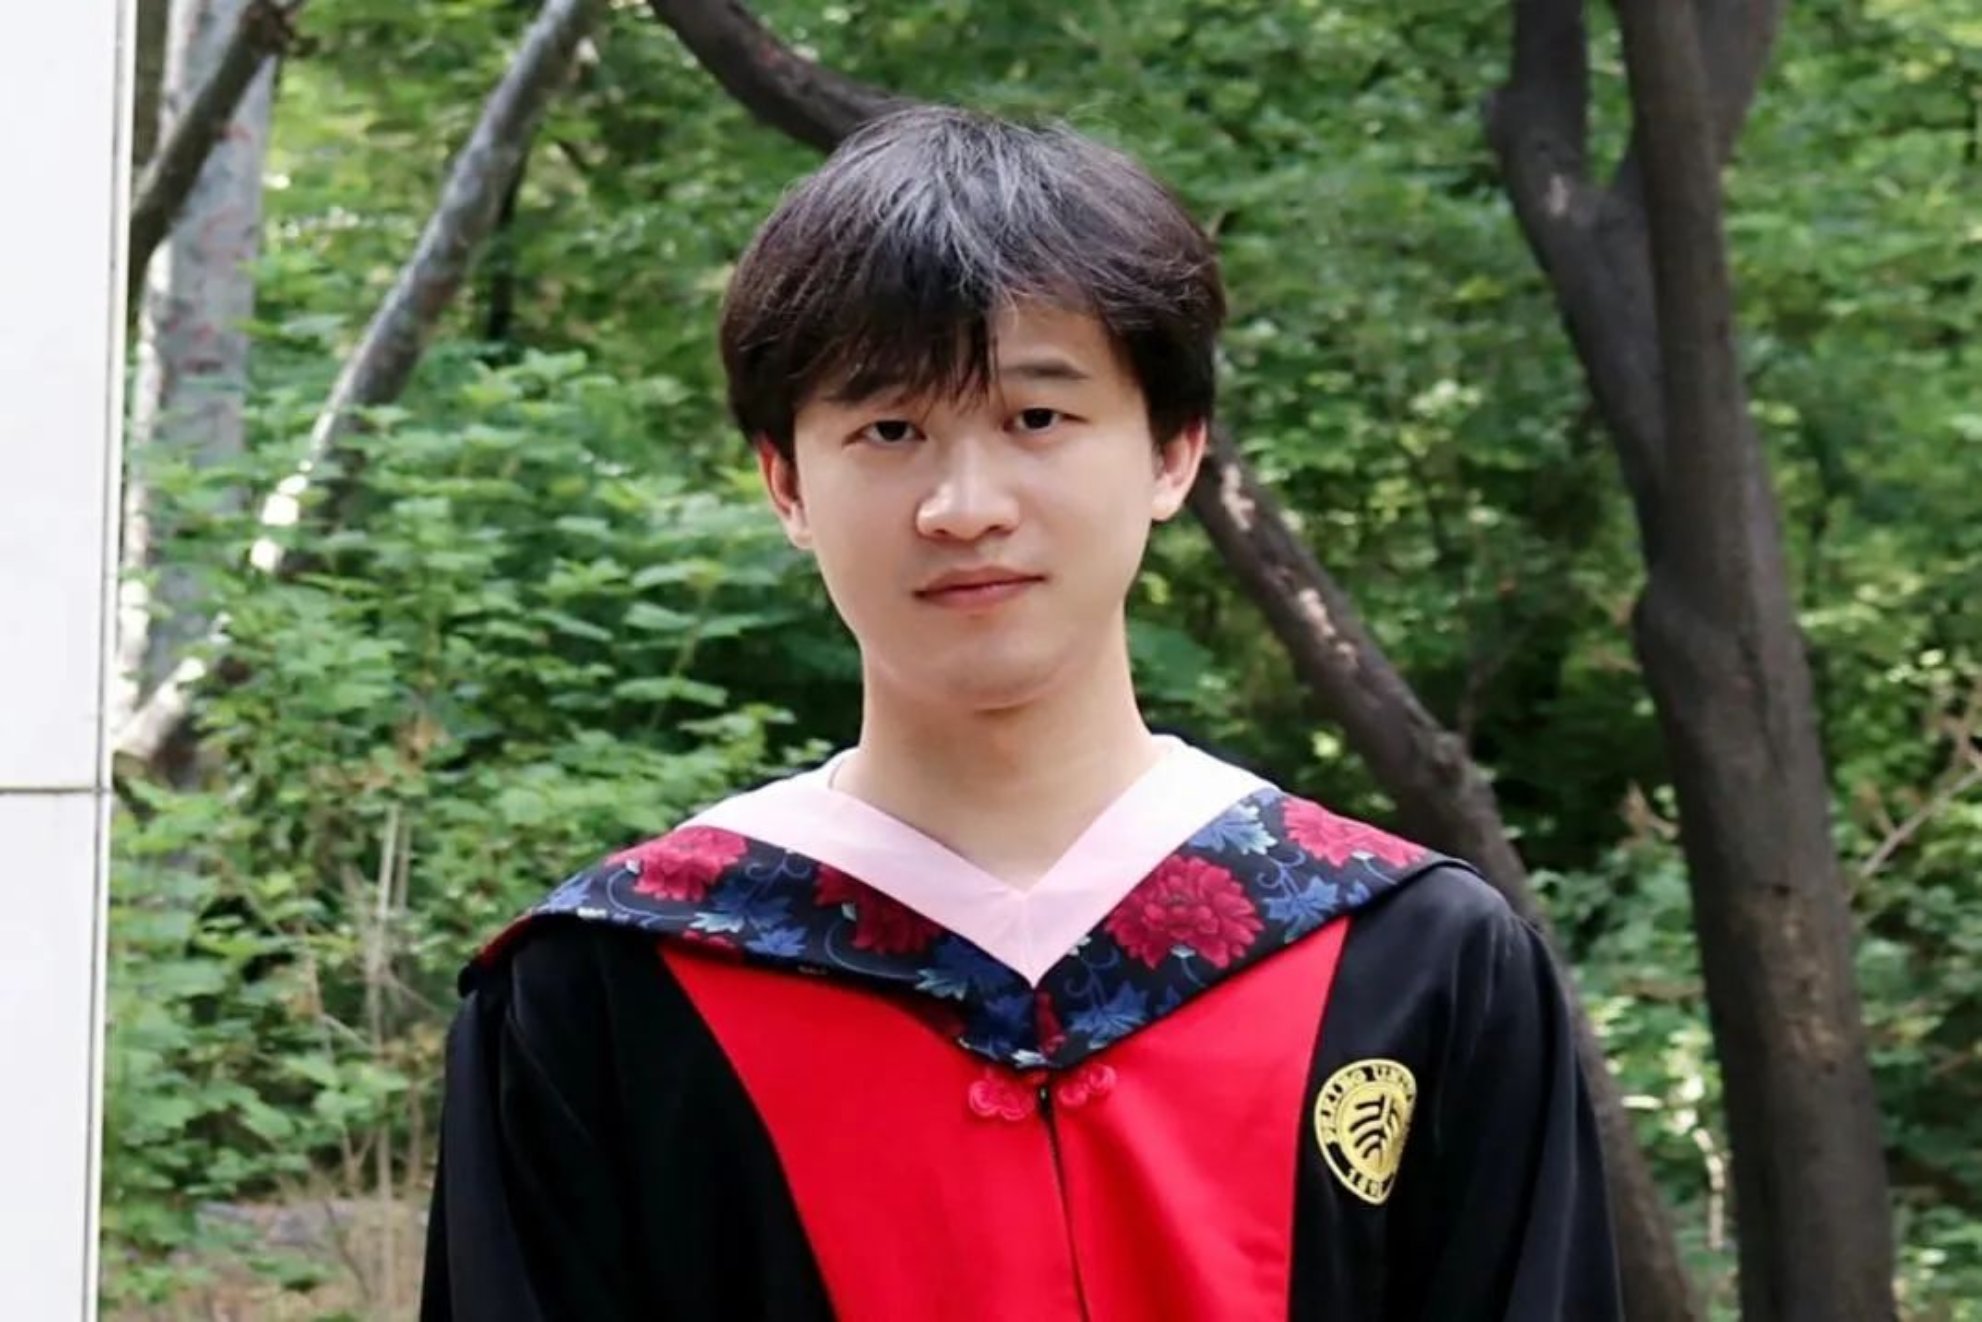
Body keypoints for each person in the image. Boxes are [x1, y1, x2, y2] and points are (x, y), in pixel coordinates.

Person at [419, 105, 1622, 1321]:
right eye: (889, 429)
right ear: (785, 482)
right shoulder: (609, 989)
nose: (963, 504)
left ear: (1171, 451)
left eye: (1035, 417)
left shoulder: (1415, 964)